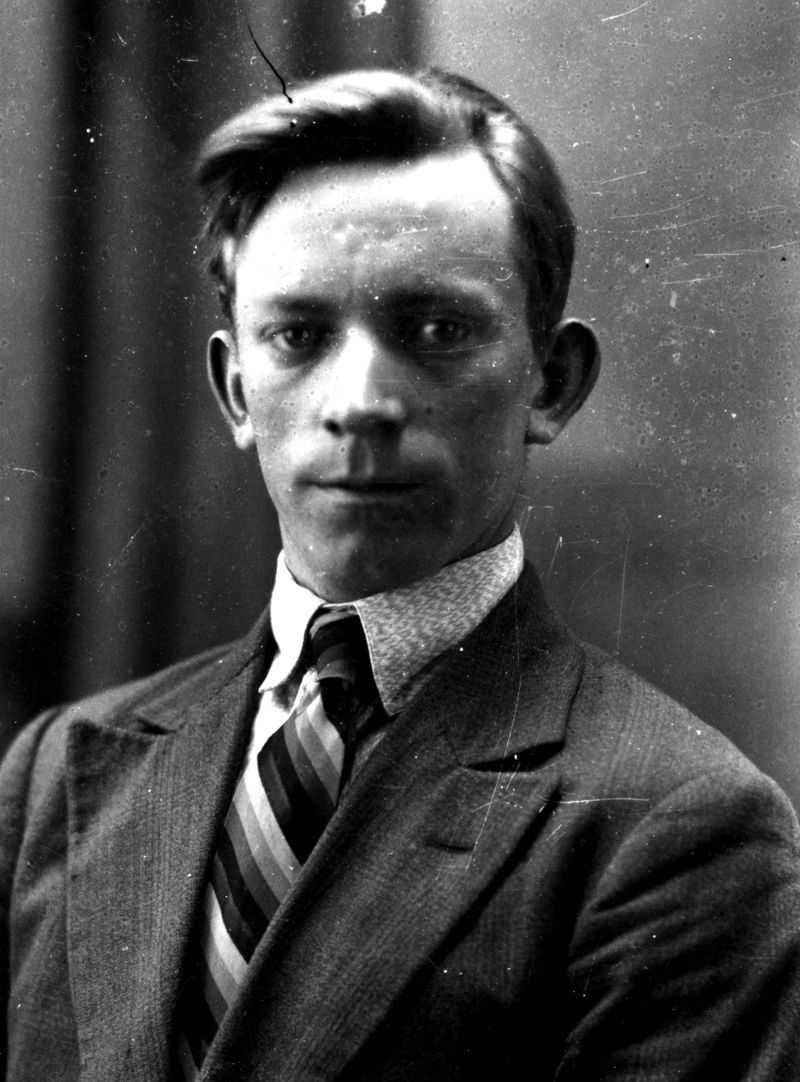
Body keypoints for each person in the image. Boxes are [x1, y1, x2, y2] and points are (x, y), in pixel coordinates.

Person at [1, 68, 799, 1082]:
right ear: (237, 390)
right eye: (298, 336)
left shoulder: (677, 826)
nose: (360, 402)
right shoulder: (59, 770)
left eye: (436, 331)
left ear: (549, 383)